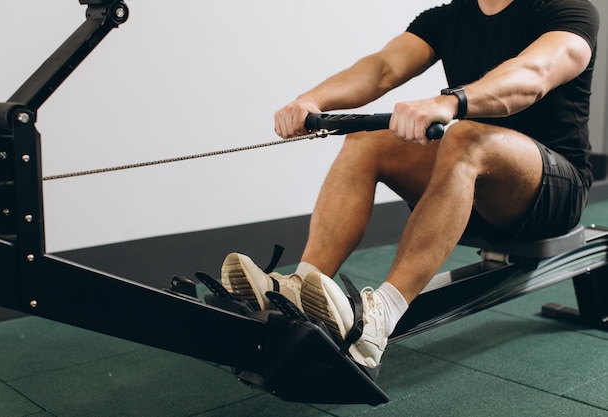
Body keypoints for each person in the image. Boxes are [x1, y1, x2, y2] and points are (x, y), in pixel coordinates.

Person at [221, 0, 600, 369]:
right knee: (368, 138)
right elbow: (382, 68)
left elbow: (533, 74)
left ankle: (380, 318)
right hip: (476, 190)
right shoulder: (450, 16)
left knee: (466, 137)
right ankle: (299, 286)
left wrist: (450, 102)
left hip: (552, 194)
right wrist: (311, 100)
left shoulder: (568, 10)